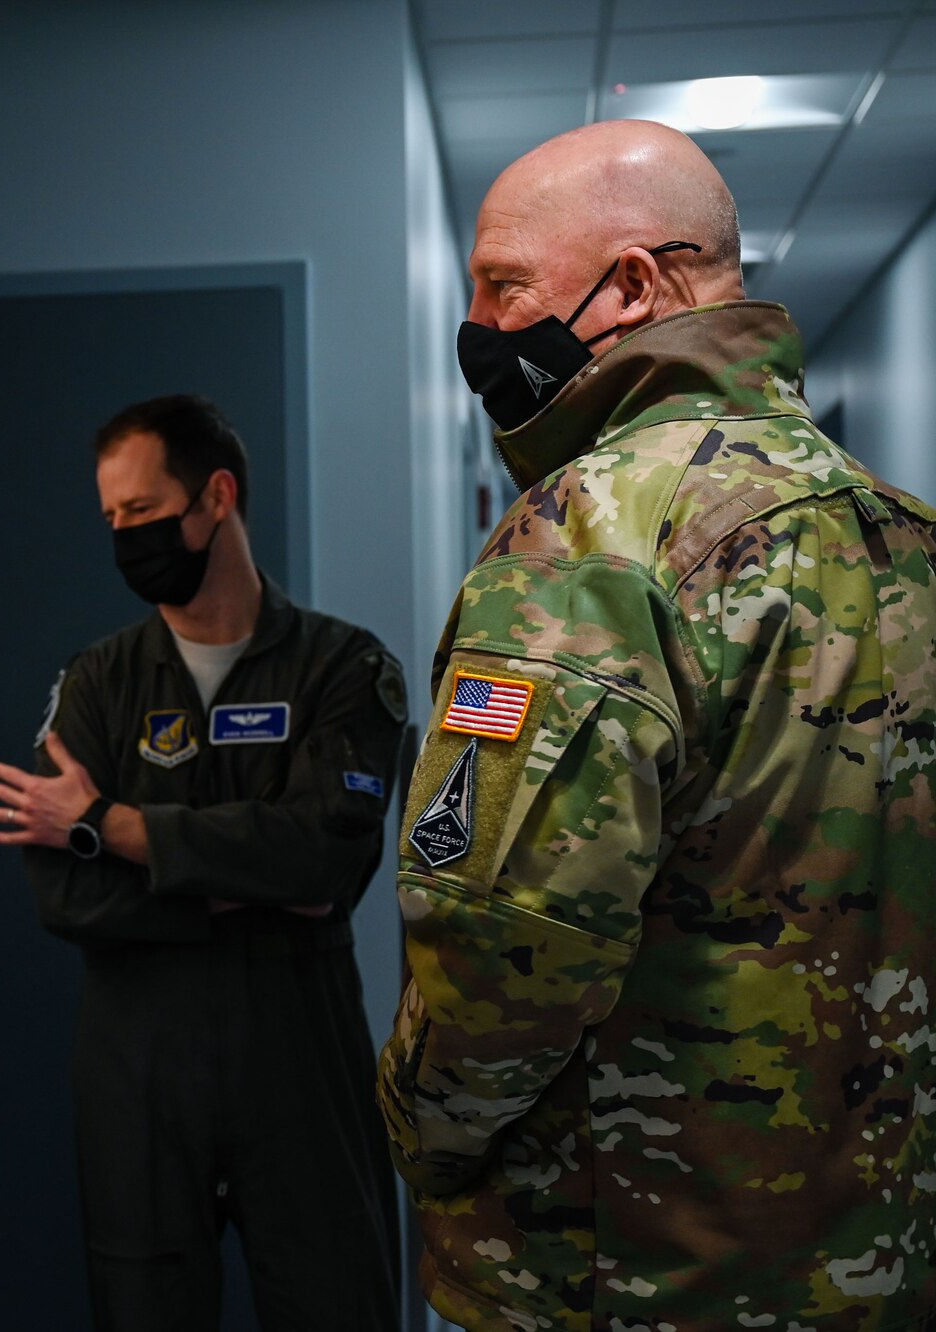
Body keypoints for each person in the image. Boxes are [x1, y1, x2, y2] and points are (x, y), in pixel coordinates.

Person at [378, 119, 936, 1332]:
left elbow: (502, 945)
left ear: (630, 286)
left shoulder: (586, 535)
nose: (476, 327)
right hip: (875, 1261)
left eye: (502, 287)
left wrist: (419, 1136)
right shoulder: (902, 532)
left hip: (623, 1273)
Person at [0, 394, 407, 1331]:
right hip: (139, 1066)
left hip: (298, 1057)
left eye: (142, 510)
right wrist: (242, 883)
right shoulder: (98, 683)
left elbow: (327, 863)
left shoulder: (343, 669)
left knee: (341, 1302)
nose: (126, 535)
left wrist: (114, 827)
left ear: (216, 497)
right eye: (111, 519)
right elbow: (63, 891)